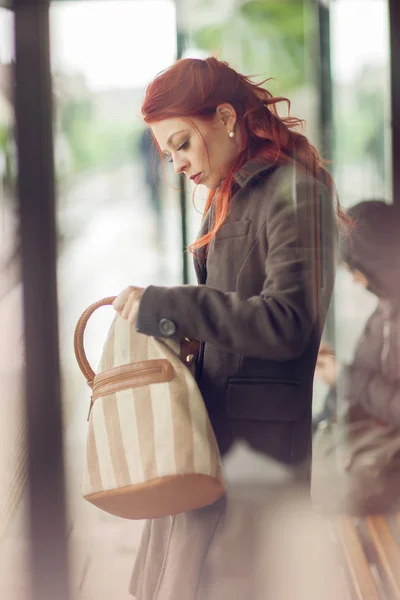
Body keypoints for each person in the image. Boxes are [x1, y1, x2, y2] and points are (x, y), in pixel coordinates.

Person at [112, 56, 340, 599]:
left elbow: (288, 323)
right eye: (168, 153)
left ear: (226, 117)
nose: (179, 165)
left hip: (255, 454)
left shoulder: (294, 193)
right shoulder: (238, 195)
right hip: (217, 439)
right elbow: (235, 311)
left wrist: (172, 305)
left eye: (182, 144)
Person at [315, 200, 400, 428]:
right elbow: (363, 376)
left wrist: (344, 378)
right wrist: (337, 373)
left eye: (354, 270)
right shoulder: (385, 309)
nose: (355, 280)